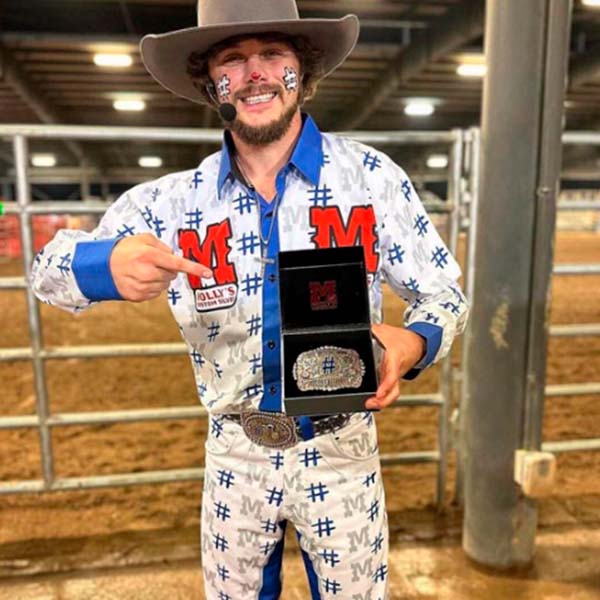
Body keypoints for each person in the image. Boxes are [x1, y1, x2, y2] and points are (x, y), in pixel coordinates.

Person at [30, 1, 469, 598]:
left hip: (342, 450)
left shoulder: (373, 179)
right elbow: (45, 268)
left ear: (302, 70)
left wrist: (412, 341)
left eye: (271, 55)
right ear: (212, 84)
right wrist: (104, 264)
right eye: (232, 61)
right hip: (235, 454)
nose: (254, 73)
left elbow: (444, 290)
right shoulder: (171, 203)